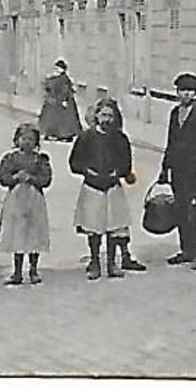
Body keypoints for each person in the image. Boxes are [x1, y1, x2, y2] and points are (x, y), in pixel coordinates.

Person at [69, 96, 136, 280]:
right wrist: (87, 171)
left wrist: (118, 173)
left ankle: (112, 263)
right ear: (96, 116)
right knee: (94, 227)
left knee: (113, 227)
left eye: (110, 116)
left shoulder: (121, 139)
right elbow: (74, 162)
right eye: (103, 115)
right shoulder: (86, 137)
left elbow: (127, 164)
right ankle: (95, 261)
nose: (106, 119)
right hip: (92, 187)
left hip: (113, 187)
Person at [160, 72, 196, 270]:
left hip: (193, 170)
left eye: (189, 91)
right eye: (182, 91)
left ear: (195, 93)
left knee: (194, 209)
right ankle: (186, 250)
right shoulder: (175, 113)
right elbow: (171, 141)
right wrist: (164, 167)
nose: (185, 95)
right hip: (177, 169)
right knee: (180, 210)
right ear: (177, 92)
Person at [0, 122, 52, 285]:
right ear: (16, 140)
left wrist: (32, 179)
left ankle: (33, 270)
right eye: (23, 138)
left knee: (34, 234)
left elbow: (46, 179)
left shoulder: (40, 159)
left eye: (31, 139)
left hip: (35, 199)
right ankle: (17, 271)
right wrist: (14, 178)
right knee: (17, 234)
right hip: (16, 198)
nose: (26, 142)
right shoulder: (10, 158)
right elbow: (3, 177)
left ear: (36, 142)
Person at [39, 59, 82, 141]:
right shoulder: (55, 77)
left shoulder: (64, 79)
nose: (57, 70)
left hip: (61, 101)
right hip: (53, 101)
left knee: (64, 119)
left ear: (63, 69)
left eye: (58, 68)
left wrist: (64, 100)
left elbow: (65, 89)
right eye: (56, 68)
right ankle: (49, 133)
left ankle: (65, 135)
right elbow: (49, 86)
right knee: (50, 117)